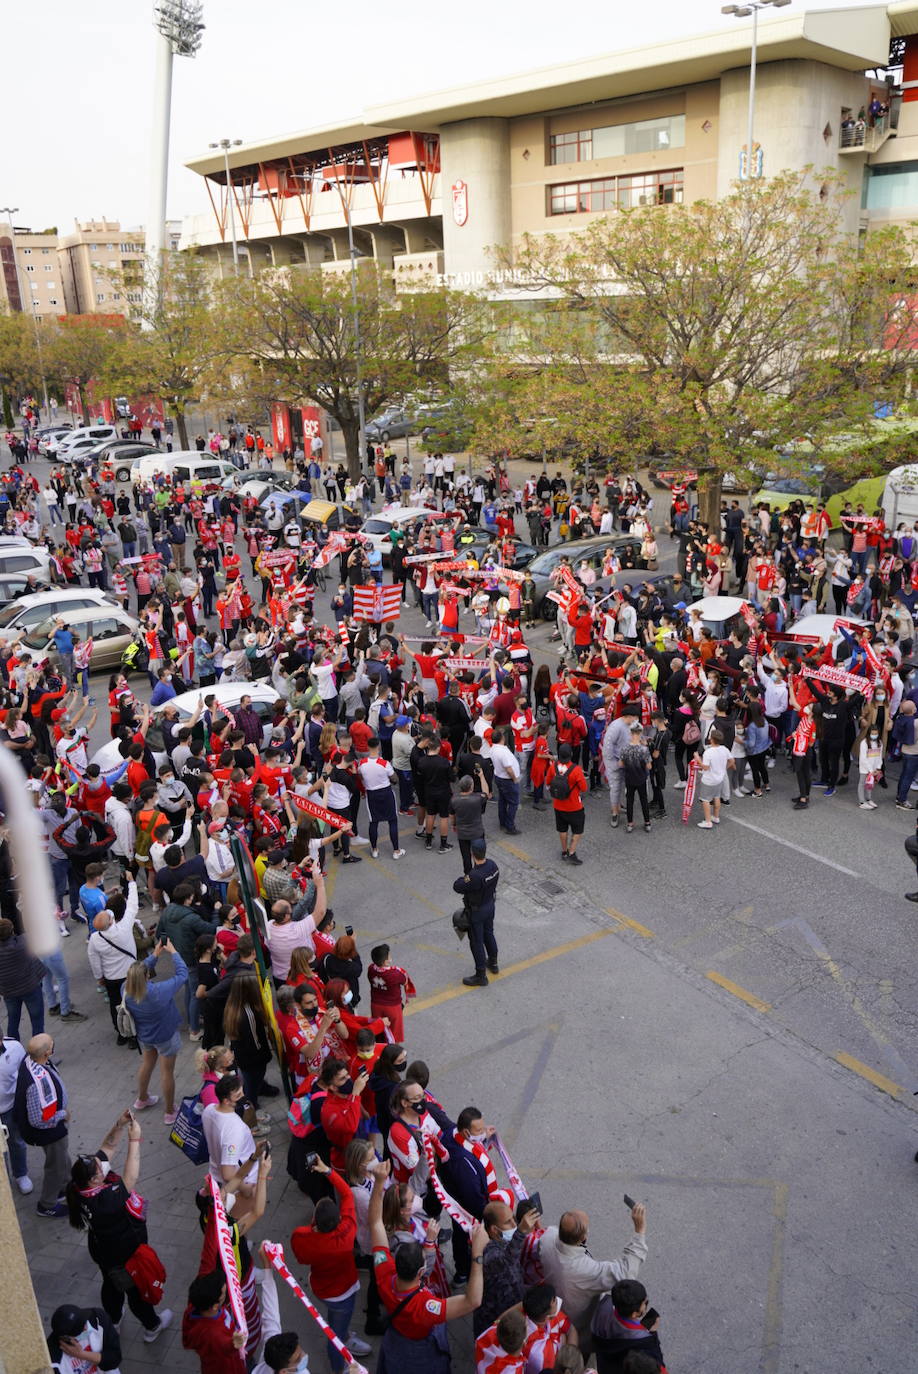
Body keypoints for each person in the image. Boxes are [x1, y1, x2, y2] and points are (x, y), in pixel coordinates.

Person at [367, 1159, 487, 1373]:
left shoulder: (383, 1270)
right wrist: (477, 1255)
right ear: (421, 1273)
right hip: (421, 1348)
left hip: (397, 1337)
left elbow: (375, 1222)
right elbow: (472, 1301)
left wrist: (378, 1183)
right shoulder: (425, 1306)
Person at [65, 1109, 173, 1341]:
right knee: (136, 1291)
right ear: (96, 1180)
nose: (102, 1163)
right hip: (125, 1254)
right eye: (98, 1166)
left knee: (111, 1285)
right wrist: (135, 1139)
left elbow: (108, 1147)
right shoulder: (103, 1201)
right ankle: (152, 1326)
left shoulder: (80, 1186)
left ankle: (113, 1319)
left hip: (103, 1250)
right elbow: (130, 1179)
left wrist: (119, 1125)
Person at [290, 1157, 373, 1368]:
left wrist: (312, 1229)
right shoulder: (347, 1230)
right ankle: (339, 1365)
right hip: (345, 1289)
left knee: (337, 1323)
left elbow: (300, 1255)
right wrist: (327, 1170)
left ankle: (345, 1336)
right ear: (338, 1220)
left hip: (323, 1288)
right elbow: (346, 1192)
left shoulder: (303, 1237)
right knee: (335, 1334)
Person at [536, 1202, 648, 1343]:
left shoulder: (547, 1237)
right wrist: (640, 1230)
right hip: (578, 1326)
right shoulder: (586, 1270)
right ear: (583, 1238)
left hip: (553, 1311)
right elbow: (625, 1272)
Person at [123, 940, 188, 1123]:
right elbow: (182, 975)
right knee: (167, 1072)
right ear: (146, 977)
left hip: (145, 1035)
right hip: (165, 1035)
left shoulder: (126, 991)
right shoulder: (159, 991)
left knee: (147, 1064)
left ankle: (142, 1098)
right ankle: (169, 1112)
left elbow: (139, 972)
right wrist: (174, 952)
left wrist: (155, 955)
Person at [13, 1032, 71, 1217]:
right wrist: (62, 1115)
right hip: (49, 1132)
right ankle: (47, 1204)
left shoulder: (31, 1061)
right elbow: (38, 1120)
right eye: (51, 1044)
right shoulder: (33, 1084)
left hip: (53, 1129)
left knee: (62, 1159)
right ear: (47, 1053)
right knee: (56, 1166)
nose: (54, 1045)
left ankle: (65, 1187)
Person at [474, 1198, 541, 1336]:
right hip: (496, 1323)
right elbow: (507, 1260)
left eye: (513, 1219)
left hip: (512, 1310)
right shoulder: (488, 1252)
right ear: (493, 1229)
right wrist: (521, 1232)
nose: (514, 1224)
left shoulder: (504, 1241)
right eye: (508, 1222)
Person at [453, 838, 500, 987]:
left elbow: (458, 886)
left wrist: (465, 877)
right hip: (490, 906)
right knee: (489, 933)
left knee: (476, 942)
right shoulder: (493, 866)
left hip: (477, 911)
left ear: (472, 853)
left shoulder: (474, 876)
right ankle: (493, 962)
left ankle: (481, 974)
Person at [591, 1279, 665, 1374]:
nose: (646, 1305)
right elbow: (657, 1366)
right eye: (645, 1303)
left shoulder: (604, 1304)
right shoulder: (644, 1339)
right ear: (634, 1314)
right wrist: (653, 1333)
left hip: (604, 1364)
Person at [0, 916, 46, 1040]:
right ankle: (38, 1052)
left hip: (9, 992)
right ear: (12, 931)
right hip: (30, 987)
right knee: (37, 1021)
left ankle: (14, 1048)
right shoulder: (23, 943)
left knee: (13, 1021)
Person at [47, 1303, 122, 1374]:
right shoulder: (52, 1358)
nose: (86, 1328)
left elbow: (115, 1358)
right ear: (66, 1337)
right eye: (80, 1329)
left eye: (83, 1321)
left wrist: (82, 1355)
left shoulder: (97, 1317)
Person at [546, 741, 588, 862]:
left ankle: (564, 851)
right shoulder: (576, 770)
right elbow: (584, 788)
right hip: (574, 806)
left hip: (558, 805)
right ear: (571, 754)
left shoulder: (553, 767)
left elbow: (548, 782)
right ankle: (572, 851)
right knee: (578, 830)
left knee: (562, 829)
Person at [0, 1032, 31, 1193]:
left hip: (10, 1108)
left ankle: (21, 1174)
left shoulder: (15, 1047)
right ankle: (3, 1180)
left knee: (17, 1142)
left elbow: (26, 1073)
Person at [696, 727, 733, 830]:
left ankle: (708, 821)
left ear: (711, 739)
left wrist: (698, 759)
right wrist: (723, 768)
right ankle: (716, 817)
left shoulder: (708, 752)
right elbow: (731, 761)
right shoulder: (724, 749)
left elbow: (705, 767)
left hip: (709, 780)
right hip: (719, 779)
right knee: (717, 797)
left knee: (705, 800)